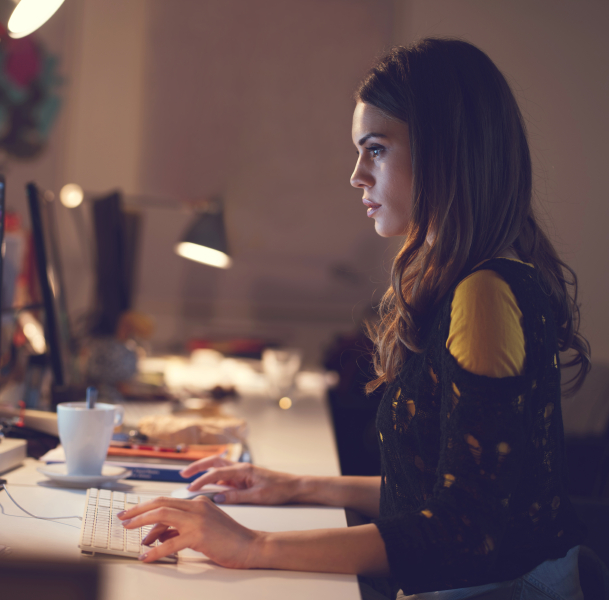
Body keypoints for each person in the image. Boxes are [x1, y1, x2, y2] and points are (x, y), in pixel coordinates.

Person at [117, 38, 592, 598]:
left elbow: (467, 533)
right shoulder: (476, 280)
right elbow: (441, 490)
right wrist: (295, 487)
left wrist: (252, 545)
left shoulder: (484, 294)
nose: (357, 175)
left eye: (377, 149)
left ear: (446, 150)